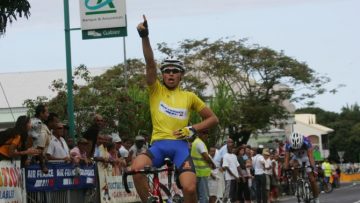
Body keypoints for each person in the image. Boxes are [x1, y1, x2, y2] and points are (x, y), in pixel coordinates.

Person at [131, 15, 219, 203]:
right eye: (167, 71)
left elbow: (213, 119)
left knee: (189, 188)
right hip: (158, 146)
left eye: (175, 71)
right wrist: (145, 37)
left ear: (181, 76)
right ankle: (149, 201)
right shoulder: (156, 90)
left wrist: (192, 128)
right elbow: (150, 63)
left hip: (180, 148)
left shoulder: (189, 96)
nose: (170, 74)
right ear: (162, 75)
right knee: (136, 169)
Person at [284, 132, 320, 203]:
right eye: (295, 148)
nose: (297, 149)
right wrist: (286, 168)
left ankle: (316, 198)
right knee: (294, 165)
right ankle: (296, 183)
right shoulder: (288, 144)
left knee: (312, 179)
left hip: (306, 156)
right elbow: (287, 158)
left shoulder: (306, 141)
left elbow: (310, 156)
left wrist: (313, 168)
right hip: (296, 157)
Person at [190, 129, 215, 203]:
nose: (206, 135)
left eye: (207, 133)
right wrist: (212, 164)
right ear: (199, 133)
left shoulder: (195, 142)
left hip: (197, 172)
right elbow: (206, 156)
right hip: (202, 173)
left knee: (198, 196)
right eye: (204, 133)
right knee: (204, 196)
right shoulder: (200, 143)